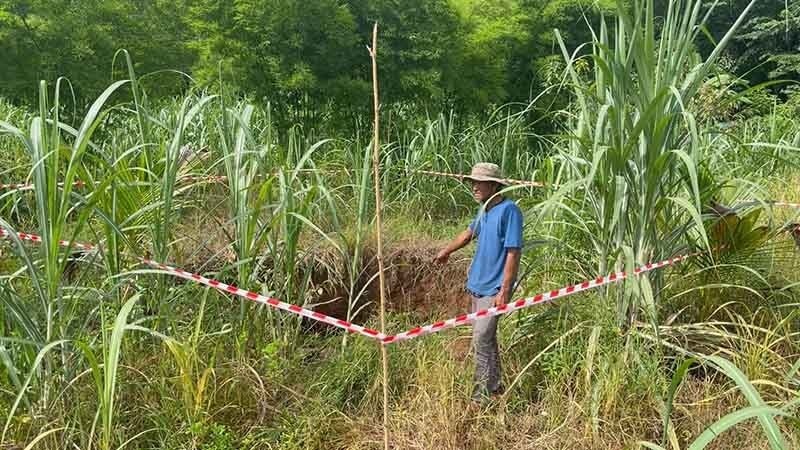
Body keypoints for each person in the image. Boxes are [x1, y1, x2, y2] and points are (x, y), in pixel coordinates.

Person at [434, 162, 523, 404]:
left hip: (494, 289)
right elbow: (468, 233)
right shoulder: (485, 209)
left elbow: (513, 252)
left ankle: (480, 397)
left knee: (481, 339)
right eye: (473, 182)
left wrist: (504, 290)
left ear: (494, 185)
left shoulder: (509, 211)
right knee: (487, 338)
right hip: (477, 285)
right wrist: (446, 251)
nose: (474, 186)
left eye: (479, 182)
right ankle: (494, 387)